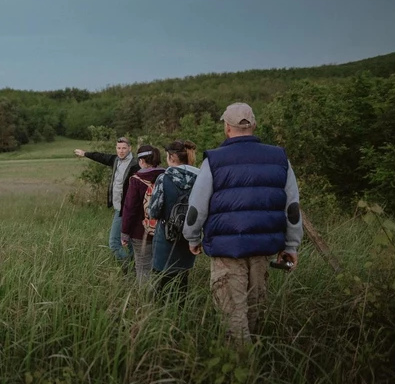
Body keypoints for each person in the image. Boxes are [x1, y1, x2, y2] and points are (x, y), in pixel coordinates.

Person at [182, 103, 304, 342]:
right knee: (256, 314)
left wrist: (192, 237)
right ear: (254, 125)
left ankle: (242, 370)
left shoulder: (214, 160)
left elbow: (197, 206)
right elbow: (292, 207)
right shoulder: (279, 158)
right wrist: (291, 246)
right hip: (263, 251)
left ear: (227, 128)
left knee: (233, 317)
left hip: (227, 253)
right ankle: (256, 364)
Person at [74, 137, 139, 265]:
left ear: (130, 148)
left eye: (124, 148)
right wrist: (85, 153)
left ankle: (129, 267)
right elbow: (101, 157)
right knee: (132, 243)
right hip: (118, 207)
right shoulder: (115, 160)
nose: (121, 151)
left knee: (114, 244)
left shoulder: (135, 165)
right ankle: (136, 268)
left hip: (126, 209)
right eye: (118, 148)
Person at [150, 140, 200, 298]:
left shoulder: (163, 178)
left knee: (162, 280)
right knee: (182, 280)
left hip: (166, 235)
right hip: (189, 234)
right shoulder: (201, 178)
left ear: (171, 157)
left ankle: (162, 317)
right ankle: (179, 315)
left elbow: (155, 210)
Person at [121, 145, 164, 283]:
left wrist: (124, 233)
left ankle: (146, 301)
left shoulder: (136, 180)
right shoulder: (167, 176)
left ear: (141, 161)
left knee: (143, 268)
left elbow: (130, 209)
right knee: (160, 267)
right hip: (164, 231)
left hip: (141, 232)